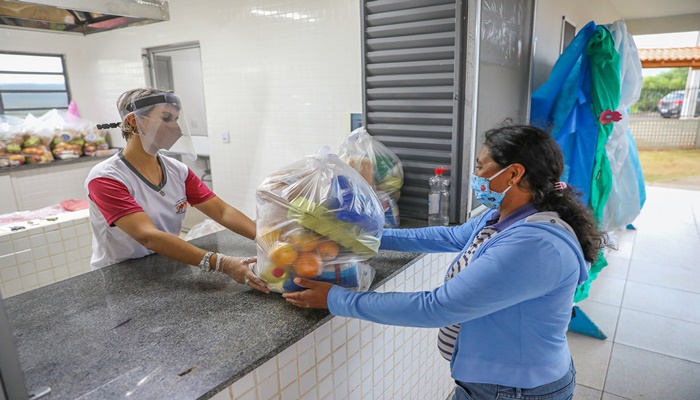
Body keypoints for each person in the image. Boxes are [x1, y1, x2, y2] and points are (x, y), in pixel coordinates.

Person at [282, 124, 610, 399]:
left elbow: (436, 307)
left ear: (514, 173)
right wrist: (360, 235)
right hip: (493, 385)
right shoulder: (506, 217)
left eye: (482, 167)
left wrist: (336, 299)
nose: (475, 175)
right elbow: (449, 237)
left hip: (517, 390)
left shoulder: (534, 245)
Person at [85, 88, 268, 293]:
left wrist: (267, 239)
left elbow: (221, 211)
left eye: (176, 119)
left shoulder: (177, 170)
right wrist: (221, 263)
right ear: (133, 122)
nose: (176, 129)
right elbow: (148, 236)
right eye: (166, 118)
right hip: (122, 276)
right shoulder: (106, 178)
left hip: (169, 263)